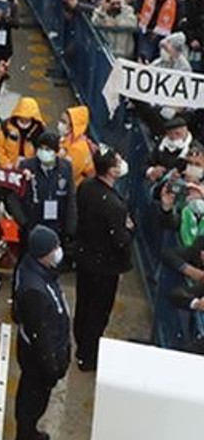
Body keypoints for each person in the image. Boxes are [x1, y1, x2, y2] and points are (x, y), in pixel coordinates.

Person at [73, 147, 134, 371]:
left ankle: (81, 344)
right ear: (111, 171)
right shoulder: (114, 205)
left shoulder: (86, 186)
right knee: (97, 313)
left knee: (83, 304)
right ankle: (88, 356)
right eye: (118, 162)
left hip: (85, 258)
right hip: (104, 267)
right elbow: (121, 241)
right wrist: (128, 230)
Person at [12, 226, 70, 440]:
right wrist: (52, 368)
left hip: (37, 357)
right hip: (38, 362)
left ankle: (29, 431)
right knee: (32, 404)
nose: (58, 251)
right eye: (54, 248)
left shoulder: (35, 269)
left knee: (31, 401)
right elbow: (41, 336)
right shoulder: (34, 290)